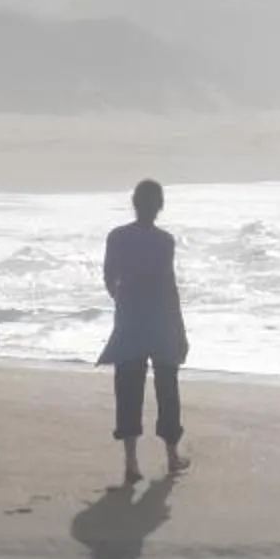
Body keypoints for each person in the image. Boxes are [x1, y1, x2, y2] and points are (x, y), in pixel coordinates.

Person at [99, 178, 189, 484]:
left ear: (134, 203)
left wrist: (124, 301)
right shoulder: (165, 241)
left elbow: (109, 277)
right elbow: (168, 285)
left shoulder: (117, 237)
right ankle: (172, 456)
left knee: (128, 388)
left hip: (130, 319)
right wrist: (180, 329)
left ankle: (131, 461)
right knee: (167, 388)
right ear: (159, 206)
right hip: (161, 318)